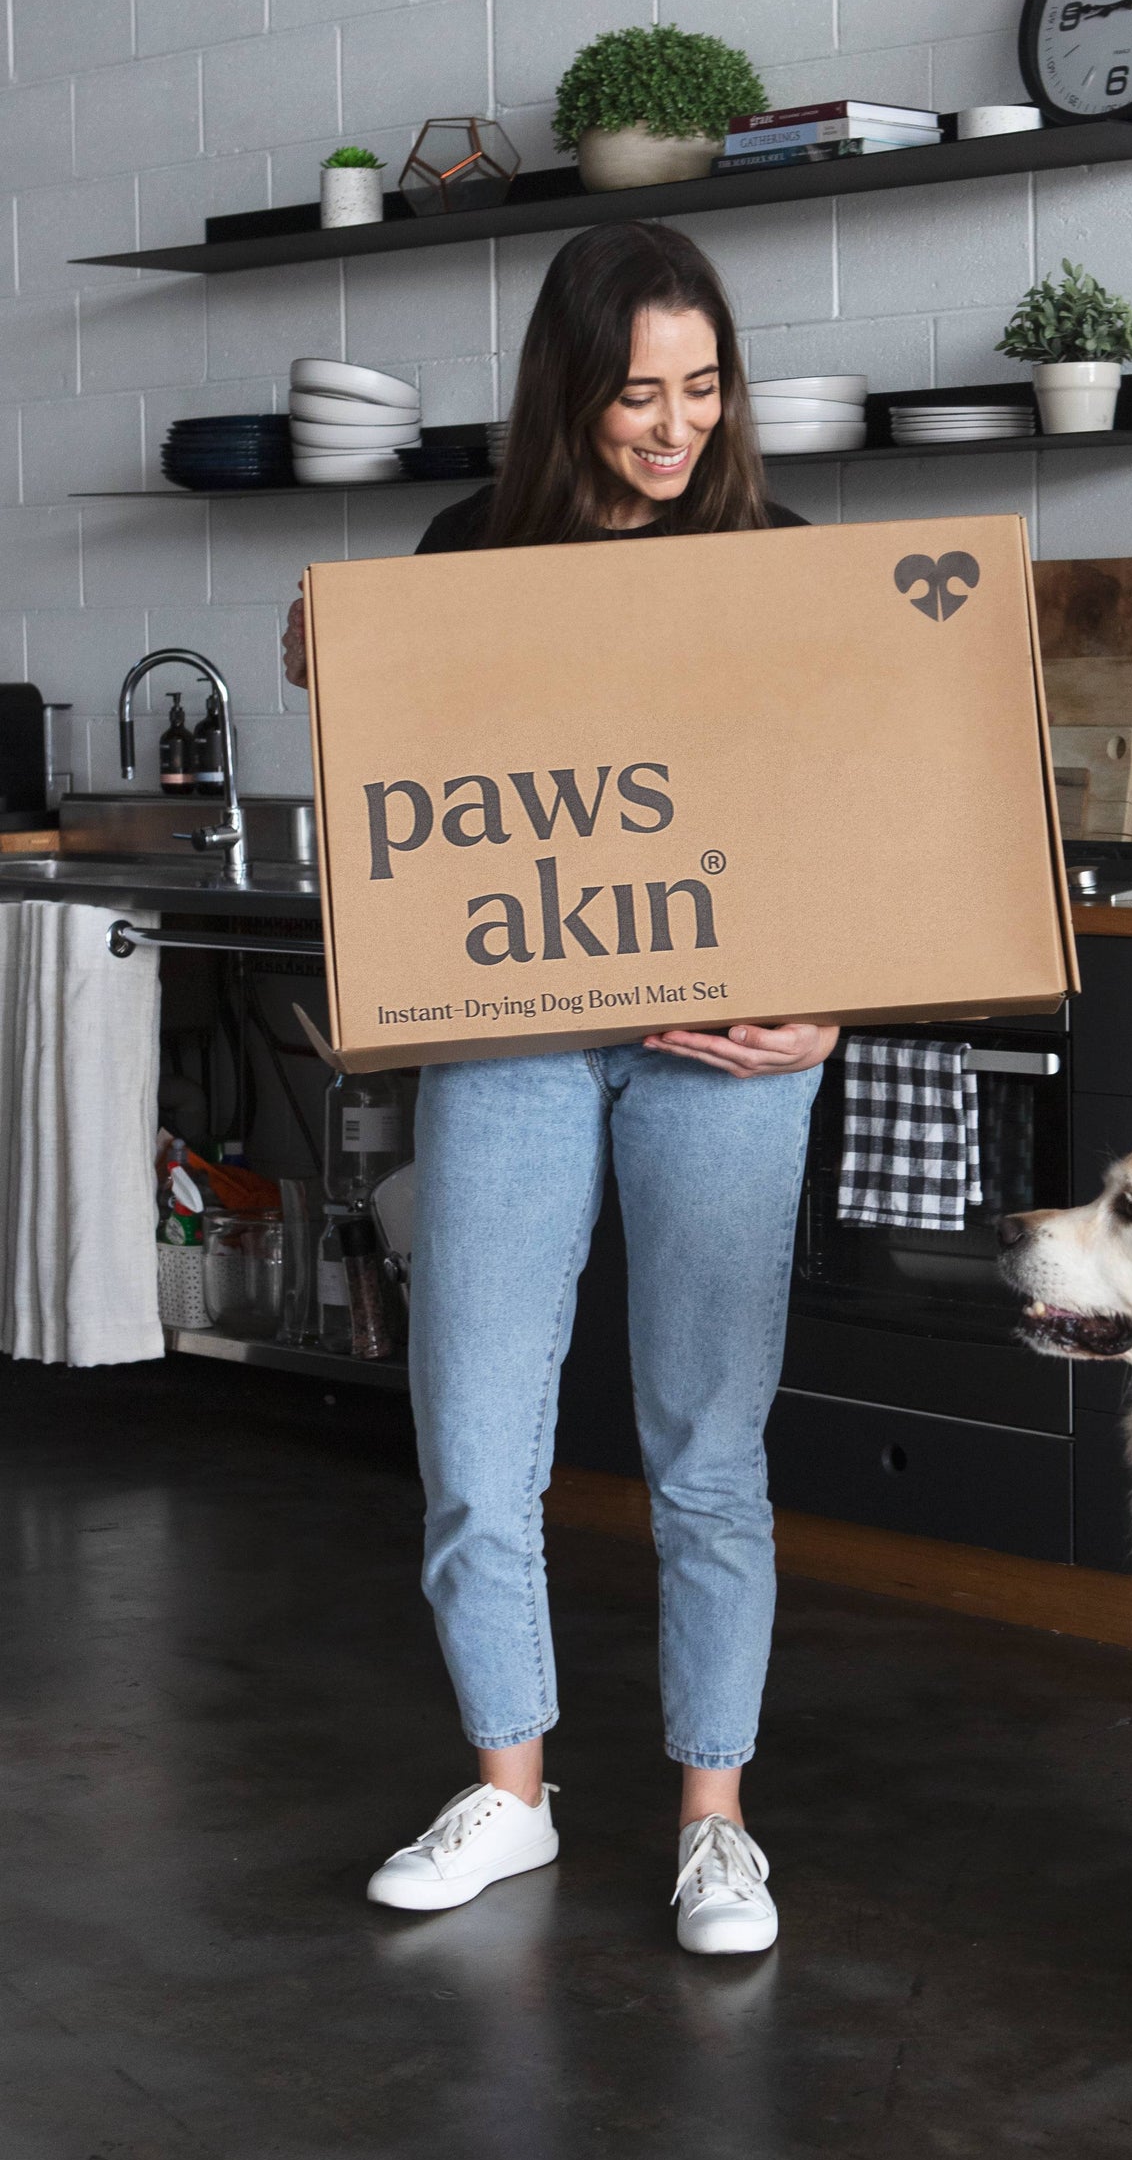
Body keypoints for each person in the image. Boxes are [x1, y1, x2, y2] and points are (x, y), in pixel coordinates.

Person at [283, 223, 837, 1953]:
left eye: (701, 388)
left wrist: (829, 1011)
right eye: (633, 397)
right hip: (515, 1032)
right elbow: (408, 782)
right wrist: (335, 666)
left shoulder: (778, 560)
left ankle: (712, 1821)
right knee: (471, 1436)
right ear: (568, 394)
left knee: (705, 1451)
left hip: (731, 1047)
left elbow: (856, 819)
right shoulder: (472, 549)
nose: (674, 427)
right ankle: (510, 1796)